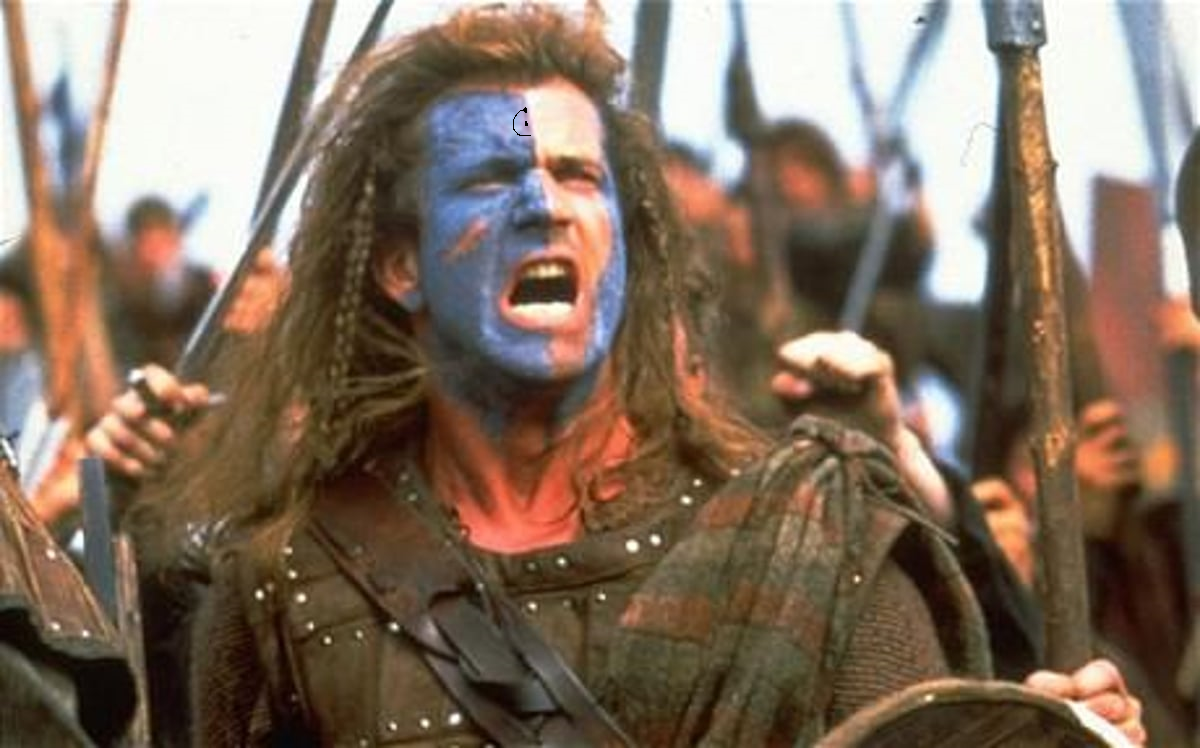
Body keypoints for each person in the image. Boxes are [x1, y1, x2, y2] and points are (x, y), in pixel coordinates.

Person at [94, 6, 1142, 745]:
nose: (543, 204)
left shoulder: (814, 546)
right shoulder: (289, 578)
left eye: (576, 174)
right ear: (400, 265)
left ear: (624, 245)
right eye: (491, 177)